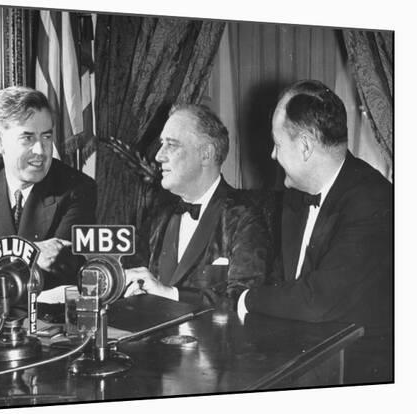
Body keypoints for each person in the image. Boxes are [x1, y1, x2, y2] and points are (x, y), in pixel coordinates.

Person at [236, 79, 393, 383]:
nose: (272, 155)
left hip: (360, 371)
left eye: (277, 144)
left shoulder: (374, 199)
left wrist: (245, 300)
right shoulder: (295, 194)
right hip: (299, 357)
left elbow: (319, 300)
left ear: (306, 146)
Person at [124, 104, 272, 306]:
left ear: (206, 154)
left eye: (172, 144)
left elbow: (244, 300)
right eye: (161, 144)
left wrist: (170, 294)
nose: (158, 156)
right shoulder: (158, 216)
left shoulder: (245, 217)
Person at [0, 86, 96, 289]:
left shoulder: (77, 187)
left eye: (46, 136)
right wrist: (30, 251)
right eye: (27, 138)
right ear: (0, 141)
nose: (40, 150)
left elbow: (60, 266)